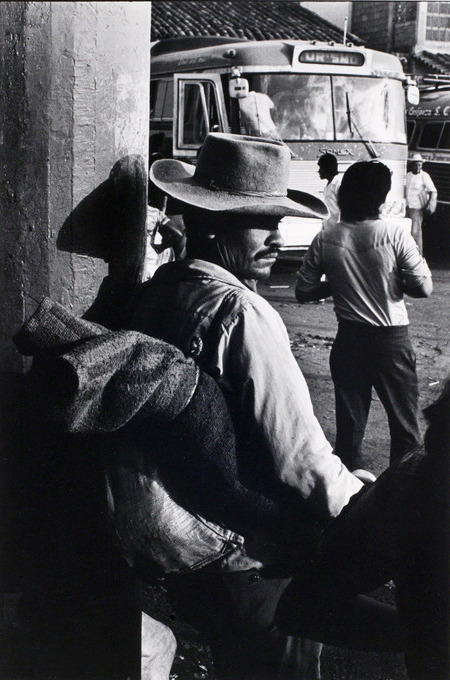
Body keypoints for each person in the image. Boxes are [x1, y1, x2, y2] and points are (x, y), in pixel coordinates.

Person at [129, 134, 448, 680]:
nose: (276, 234)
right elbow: (299, 460)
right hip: (250, 554)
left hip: (188, 539)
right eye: (259, 219)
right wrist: (368, 504)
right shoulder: (240, 312)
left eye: (277, 218)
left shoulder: (161, 290)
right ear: (210, 222)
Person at [296, 160, 432, 472]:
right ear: (382, 198)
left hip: (348, 341)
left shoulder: (327, 237)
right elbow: (422, 288)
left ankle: (347, 503)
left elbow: (303, 291)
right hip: (391, 342)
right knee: (405, 428)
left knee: (349, 431)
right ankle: (400, 501)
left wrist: (338, 284)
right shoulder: (395, 235)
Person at [406, 152, 438, 254]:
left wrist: (431, 203)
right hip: (407, 207)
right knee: (407, 232)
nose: (418, 166)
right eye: (415, 164)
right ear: (412, 165)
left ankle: (418, 255)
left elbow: (433, 190)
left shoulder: (424, 176)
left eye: (419, 164)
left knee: (415, 232)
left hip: (417, 208)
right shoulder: (408, 175)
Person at [317, 153, 342, 227]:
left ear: (326, 168)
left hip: (336, 228)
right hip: (328, 226)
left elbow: (344, 209)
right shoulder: (328, 185)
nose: (319, 171)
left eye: (320, 168)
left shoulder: (338, 184)